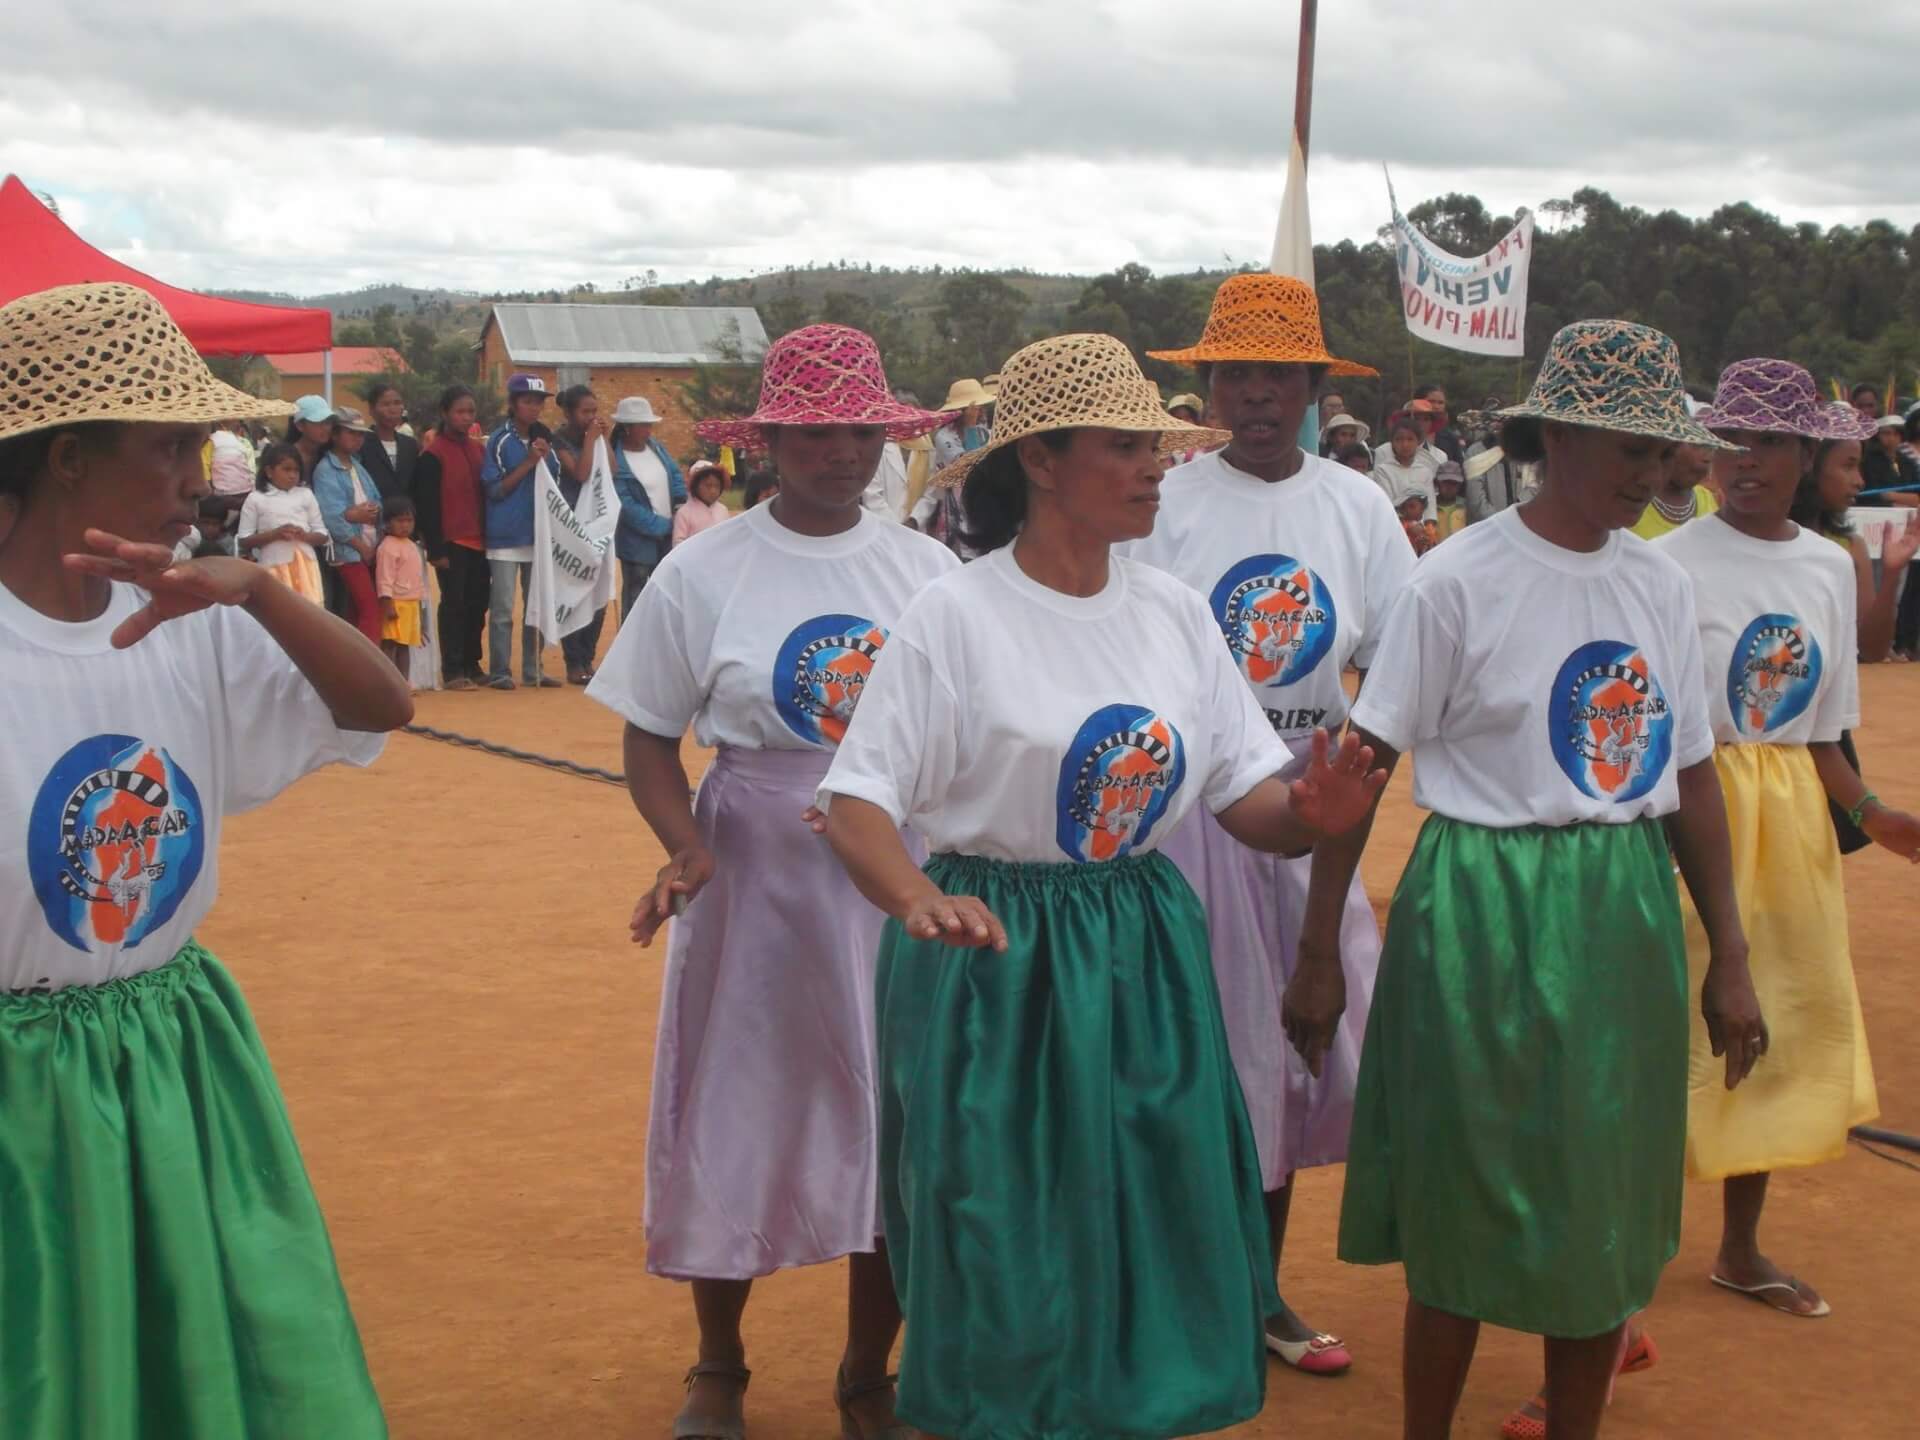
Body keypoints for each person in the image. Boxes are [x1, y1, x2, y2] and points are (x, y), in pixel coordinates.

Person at [817, 332, 1388, 1440]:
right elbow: (857, 802)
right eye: (1127, 447)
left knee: (1154, 1220)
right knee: (1005, 1229)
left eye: (1159, 449)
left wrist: (1310, 818)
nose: (1155, 468)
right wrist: (912, 899)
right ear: (1039, 458)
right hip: (993, 960)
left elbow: (1246, 802)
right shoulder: (958, 613)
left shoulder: (1172, 611)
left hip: (1143, 953)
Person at [1321, 320, 1766, 1440]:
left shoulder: (1660, 585)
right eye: (1629, 450)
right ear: (1555, 434)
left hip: (1620, 905)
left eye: (1662, 453)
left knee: (1604, 1193)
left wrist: (1731, 959)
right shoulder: (1455, 582)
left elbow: (1694, 777)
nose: (1654, 476)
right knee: (1464, 1193)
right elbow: (1362, 772)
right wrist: (1316, 949)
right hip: (1480, 904)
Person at [0, 280, 410, 1437]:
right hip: (19, 1091)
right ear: (68, 457)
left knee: (220, 1353)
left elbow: (381, 705)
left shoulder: (196, 624)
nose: (200, 473)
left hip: (174, 1053)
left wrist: (260, 599)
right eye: (170, 443)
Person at [585, 325, 953, 1440]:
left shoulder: (927, 572)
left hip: (892, 872)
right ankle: (719, 1366)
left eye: (862, 430)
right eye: (816, 432)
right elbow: (650, 738)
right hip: (755, 875)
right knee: (736, 1105)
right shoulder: (704, 569)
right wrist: (684, 846)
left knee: (895, 1113)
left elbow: (959, 729)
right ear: (772, 441)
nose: (841, 452)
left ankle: (865, 1372)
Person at [1132, 272, 1407, 1376]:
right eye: (1233, 373)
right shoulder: (1165, 500)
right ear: (1203, 384)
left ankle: (1259, 1290)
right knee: (1177, 1057)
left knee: (1285, 1056)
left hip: (1317, 803)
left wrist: (1341, 803)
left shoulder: (1356, 506)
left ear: (1309, 385)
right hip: (1191, 808)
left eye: (1276, 374)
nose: (1254, 394)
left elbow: (1387, 683)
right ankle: (1165, 1291)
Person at [1662, 359, 1920, 1326]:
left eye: (1770, 442)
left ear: (1807, 453)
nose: (1747, 463)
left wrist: (1876, 817)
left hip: (1794, 824)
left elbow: (1821, 734)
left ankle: (1738, 1246)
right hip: (1691, 805)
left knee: (1770, 1025)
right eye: (1731, 441)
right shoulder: (1666, 559)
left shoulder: (1828, 566)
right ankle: (1628, 1248)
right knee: (1669, 1017)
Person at [1795, 416, 1920, 663]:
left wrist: (1891, 576)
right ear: (1810, 464)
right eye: (1848, 466)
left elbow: (1871, 650)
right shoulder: (1763, 536)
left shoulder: (1852, 546)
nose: (1860, 481)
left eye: (1859, 467)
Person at [481, 373, 559, 690]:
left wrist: (542, 457)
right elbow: (495, 490)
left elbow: (554, 484)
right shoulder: (500, 440)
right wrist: (528, 463)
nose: (534, 408)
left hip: (537, 536)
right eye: (527, 402)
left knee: (536, 607)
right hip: (505, 536)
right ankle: (500, 670)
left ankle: (533, 668)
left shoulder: (545, 441)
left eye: (538, 402)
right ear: (513, 404)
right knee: (502, 609)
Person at [414, 384, 489, 690]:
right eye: (459, 411)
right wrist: (436, 547)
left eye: (470, 411)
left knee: (478, 603)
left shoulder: (478, 449)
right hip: (451, 542)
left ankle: (473, 663)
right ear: (445, 413)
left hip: (481, 539)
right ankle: (453, 668)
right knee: (454, 604)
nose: (465, 417)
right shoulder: (433, 455)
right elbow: (428, 504)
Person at [551, 385, 614, 685]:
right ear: (569, 412)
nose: (591, 416)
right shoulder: (559, 439)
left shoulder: (598, 437)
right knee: (574, 592)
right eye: (585, 411)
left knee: (597, 592)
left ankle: (588, 657)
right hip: (570, 524)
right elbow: (581, 473)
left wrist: (606, 441)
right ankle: (573, 661)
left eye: (594, 410)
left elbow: (611, 471)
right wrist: (591, 441)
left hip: (597, 525)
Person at [609, 394, 686, 624]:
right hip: (637, 543)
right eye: (643, 425)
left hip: (666, 537)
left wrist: (679, 506)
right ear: (627, 428)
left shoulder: (657, 449)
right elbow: (625, 505)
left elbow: (674, 475)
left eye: (649, 424)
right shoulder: (615, 459)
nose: (648, 430)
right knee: (636, 597)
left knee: (667, 595)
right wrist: (662, 525)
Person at [312, 404, 385, 645]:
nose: (358, 438)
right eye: (351, 432)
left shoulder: (357, 466)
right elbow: (333, 519)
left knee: (358, 611)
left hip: (368, 545)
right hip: (350, 551)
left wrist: (357, 514)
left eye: (360, 433)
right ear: (335, 434)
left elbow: (376, 501)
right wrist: (360, 543)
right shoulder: (325, 470)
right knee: (370, 609)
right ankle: (368, 669)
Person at [237, 439, 328, 603]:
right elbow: (244, 540)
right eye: (286, 469)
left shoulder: (305, 494)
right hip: (273, 565)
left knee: (310, 610)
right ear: (269, 471)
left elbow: (322, 534)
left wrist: (304, 535)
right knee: (279, 611)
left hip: (306, 565)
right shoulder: (256, 498)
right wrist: (274, 535)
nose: (292, 475)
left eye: (296, 470)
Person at [376, 493, 426, 680]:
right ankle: (388, 682)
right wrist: (387, 604)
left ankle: (404, 682)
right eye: (400, 521)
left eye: (409, 520)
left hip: (411, 603)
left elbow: (418, 579)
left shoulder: (412, 546)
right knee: (390, 644)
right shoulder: (387, 547)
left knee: (405, 645)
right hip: (395, 603)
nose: (405, 525)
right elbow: (384, 578)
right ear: (387, 523)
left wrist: (420, 608)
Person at [1630, 436, 1719, 539]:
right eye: (1697, 444)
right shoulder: (1633, 501)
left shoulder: (1711, 500)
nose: (1707, 458)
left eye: (1712, 447)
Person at [1464, 416, 1544, 522]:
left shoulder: (1524, 447)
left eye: (1502, 419)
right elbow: (1476, 499)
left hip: (1523, 519)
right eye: (1493, 419)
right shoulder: (1475, 451)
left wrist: (1517, 512)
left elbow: (1534, 484)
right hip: (1488, 523)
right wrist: (1499, 521)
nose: (1497, 424)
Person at [360, 380, 419, 504]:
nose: (393, 410)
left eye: (397, 403)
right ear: (371, 409)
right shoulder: (361, 444)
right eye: (386, 404)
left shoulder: (411, 446)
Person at [1373, 414, 1437, 518]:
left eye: (1410, 439)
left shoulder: (1425, 471)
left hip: (1422, 530)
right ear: (1392, 443)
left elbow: (1430, 506)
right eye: (1399, 439)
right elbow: (1386, 503)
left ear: (1418, 442)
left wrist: (1428, 526)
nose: (1405, 445)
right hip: (1394, 525)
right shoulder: (1383, 470)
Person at [1860, 410, 1920, 508]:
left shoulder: (1907, 461)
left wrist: (1890, 495)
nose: (1891, 438)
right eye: (1887, 433)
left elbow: (1916, 498)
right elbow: (1871, 494)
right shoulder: (1868, 461)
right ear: (1877, 435)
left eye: (1896, 434)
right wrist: (1894, 499)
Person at [672, 460, 730, 543]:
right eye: (708, 485)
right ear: (695, 487)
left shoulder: (723, 510)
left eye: (717, 486)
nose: (713, 491)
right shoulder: (684, 513)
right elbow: (678, 543)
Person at [287, 393, 336, 483]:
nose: (326, 428)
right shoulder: (285, 457)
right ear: (300, 426)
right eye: (318, 422)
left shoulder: (331, 455)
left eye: (328, 422)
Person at [1413, 382, 1464, 462]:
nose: (1436, 406)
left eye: (1440, 403)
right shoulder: (1405, 432)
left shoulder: (1450, 438)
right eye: (1431, 401)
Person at [1431, 460, 1468, 540]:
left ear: (1460, 485)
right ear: (1437, 483)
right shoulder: (1430, 507)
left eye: (1454, 483)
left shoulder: (1466, 506)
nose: (1449, 487)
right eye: (1445, 482)